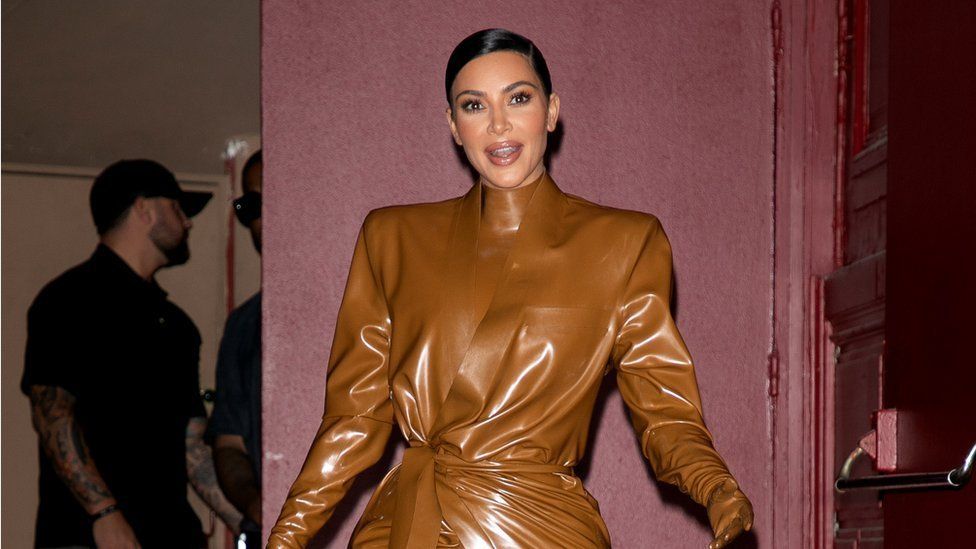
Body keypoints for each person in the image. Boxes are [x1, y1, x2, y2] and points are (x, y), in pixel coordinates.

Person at [268, 29, 754, 548]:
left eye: (518, 98)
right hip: (406, 525)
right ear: (453, 126)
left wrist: (716, 487)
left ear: (551, 112)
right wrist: (286, 536)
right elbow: (354, 418)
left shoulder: (625, 243)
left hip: (542, 526)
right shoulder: (392, 238)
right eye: (474, 105)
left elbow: (664, 410)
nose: (498, 123)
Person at [21, 159, 243, 548]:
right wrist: (104, 513)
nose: (187, 223)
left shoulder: (177, 326)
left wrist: (249, 522)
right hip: (90, 536)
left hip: (170, 535)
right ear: (144, 209)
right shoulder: (69, 299)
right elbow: (52, 412)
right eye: (177, 207)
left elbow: (191, 446)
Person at [209, 150, 264, 548]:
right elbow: (228, 442)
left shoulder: (365, 296)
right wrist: (254, 501)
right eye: (251, 206)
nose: (262, 218)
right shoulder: (244, 324)